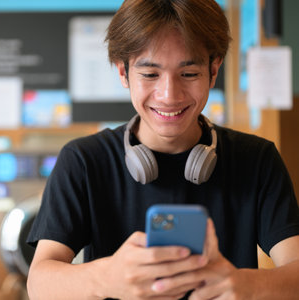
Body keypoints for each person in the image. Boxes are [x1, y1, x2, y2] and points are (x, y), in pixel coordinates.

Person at [26, 0, 299, 299]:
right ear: (123, 72)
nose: (169, 95)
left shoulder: (257, 159)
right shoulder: (83, 160)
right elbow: (39, 282)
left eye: (189, 74)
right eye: (150, 74)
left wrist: (245, 285)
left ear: (213, 69)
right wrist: (104, 278)